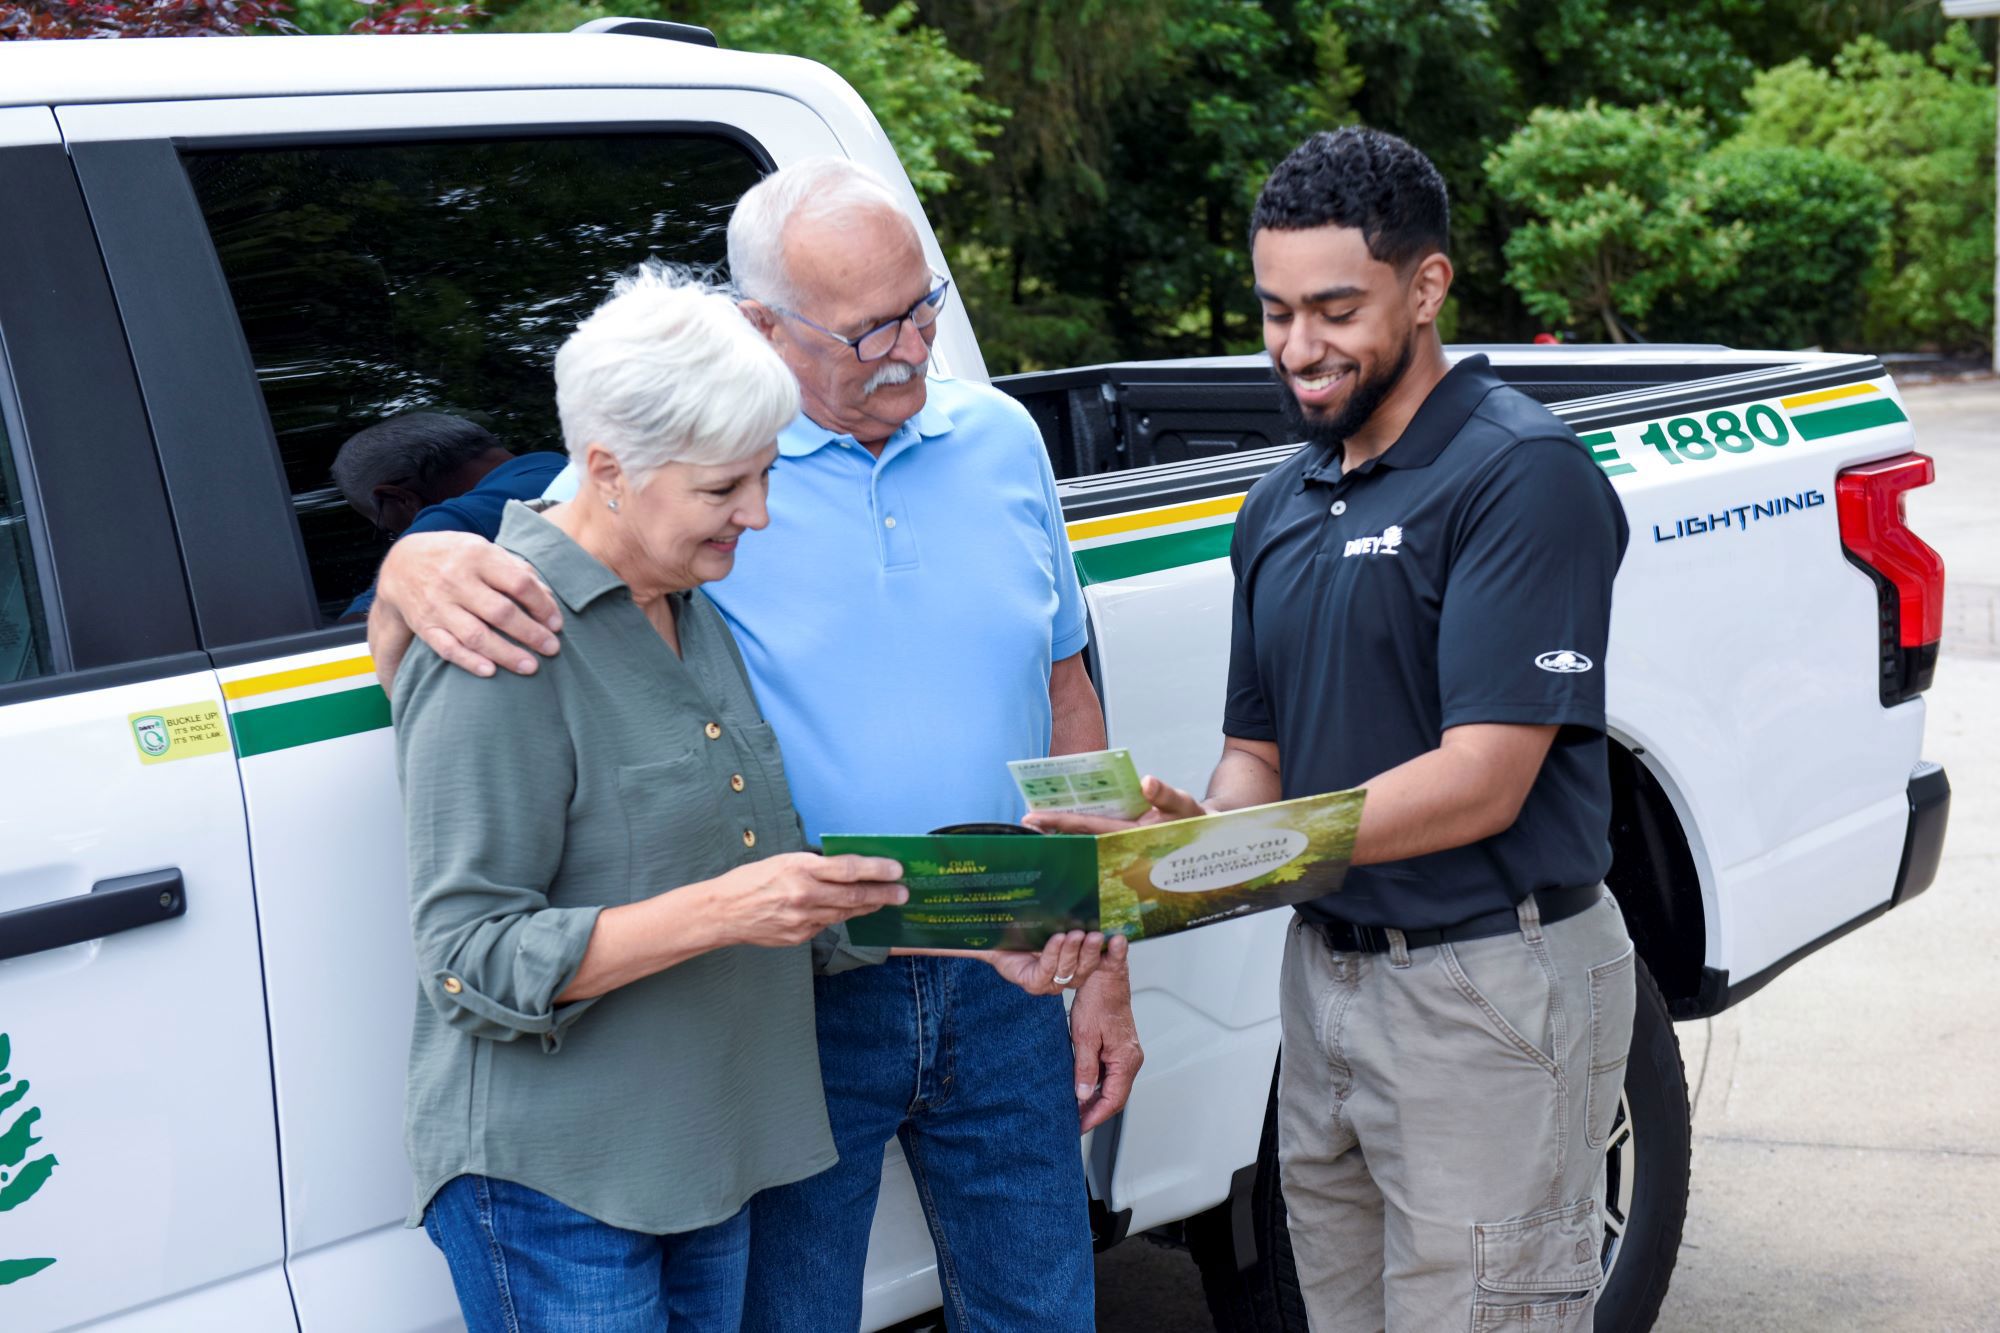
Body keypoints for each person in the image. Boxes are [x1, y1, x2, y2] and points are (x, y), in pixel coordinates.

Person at [367, 159, 1140, 1331]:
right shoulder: (684, 469)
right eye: (867, 331)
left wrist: (1102, 944)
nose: (908, 351)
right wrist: (409, 564)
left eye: (921, 308)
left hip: (1003, 948)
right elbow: (524, 553)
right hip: (792, 1000)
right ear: (761, 325)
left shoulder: (998, 439)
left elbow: (1065, 688)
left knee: (1042, 1307)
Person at [1032, 128, 1636, 1331]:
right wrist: (1189, 835)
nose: (1297, 347)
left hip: (1489, 983)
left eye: (1334, 309)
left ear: (1425, 287)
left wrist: (1245, 850)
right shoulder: (1277, 504)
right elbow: (1254, 757)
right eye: (1273, 311)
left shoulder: (1517, 473)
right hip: (1322, 980)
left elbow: (1482, 780)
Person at [392, 270, 917, 1330]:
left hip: (704, 1156)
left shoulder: (685, 600)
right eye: (725, 488)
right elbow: (466, 956)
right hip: (562, 1187)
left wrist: (988, 912)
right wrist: (725, 909)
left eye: (764, 476)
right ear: (608, 471)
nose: (757, 514)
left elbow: (760, 874)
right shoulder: (502, 633)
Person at [330, 412, 565, 617]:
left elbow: (362, 628)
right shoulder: (569, 470)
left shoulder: (455, 521)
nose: (400, 536)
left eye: (390, 530)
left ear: (399, 499)